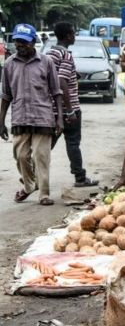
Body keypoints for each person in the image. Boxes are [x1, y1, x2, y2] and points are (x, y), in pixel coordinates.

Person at [0, 24, 63, 206]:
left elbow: (56, 91)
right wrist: (1, 121)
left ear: (33, 42)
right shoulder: (10, 64)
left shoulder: (46, 62)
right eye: (17, 42)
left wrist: (59, 118)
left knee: (41, 156)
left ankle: (44, 193)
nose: (20, 45)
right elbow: (5, 95)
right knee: (20, 156)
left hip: (43, 116)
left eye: (24, 42)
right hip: (20, 116)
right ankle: (29, 186)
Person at [47, 22, 98, 187]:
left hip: (51, 108)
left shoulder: (50, 54)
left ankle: (32, 173)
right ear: (68, 36)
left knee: (47, 144)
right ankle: (80, 177)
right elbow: (61, 82)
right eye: (73, 34)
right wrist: (69, 111)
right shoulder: (66, 55)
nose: (74, 36)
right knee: (73, 143)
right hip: (68, 108)